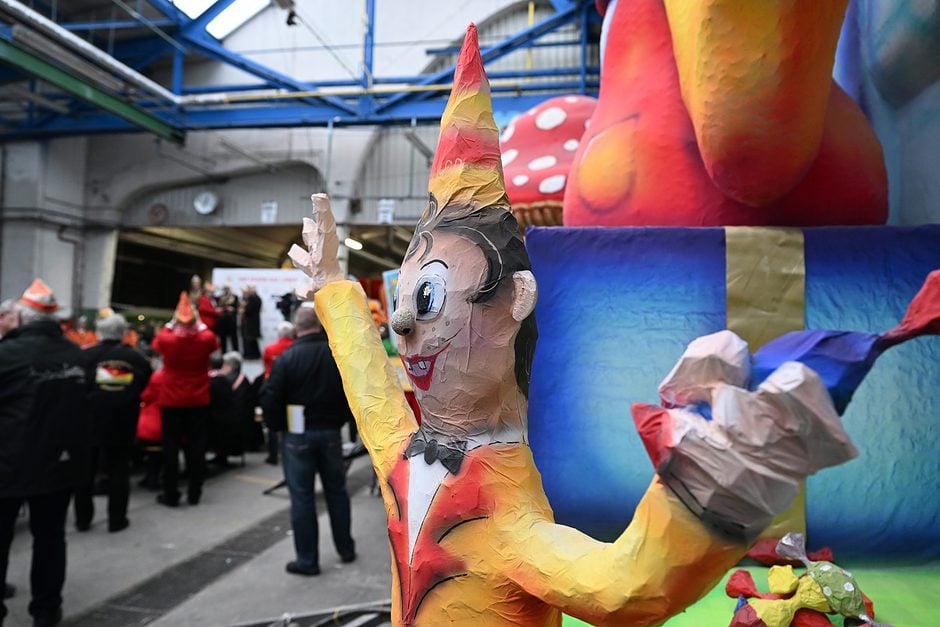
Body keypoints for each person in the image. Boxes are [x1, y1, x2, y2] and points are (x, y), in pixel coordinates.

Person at [284, 26, 924, 626]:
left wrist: (709, 494)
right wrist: (333, 288)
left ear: (516, 300)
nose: (400, 322)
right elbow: (370, 388)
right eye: (404, 298)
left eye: (426, 296)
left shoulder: (504, 515)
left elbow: (624, 585)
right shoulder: (407, 450)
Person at [0, 279, 90, 627]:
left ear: (20, 319)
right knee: (51, 538)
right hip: (61, 466)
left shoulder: (6, 356)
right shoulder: (76, 355)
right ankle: (46, 610)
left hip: (9, 463)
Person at [261, 307, 356, 576]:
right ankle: (345, 548)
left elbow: (270, 399)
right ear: (319, 324)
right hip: (330, 433)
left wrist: (281, 428)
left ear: (296, 327)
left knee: (302, 498)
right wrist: (339, 422)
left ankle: (307, 561)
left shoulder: (286, 359)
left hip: (297, 436)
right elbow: (350, 393)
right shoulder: (335, 355)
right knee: (337, 492)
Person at [73, 315, 152, 533]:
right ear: (123, 333)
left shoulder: (86, 356)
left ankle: (82, 519)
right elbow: (144, 381)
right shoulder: (136, 358)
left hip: (90, 420)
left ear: (99, 332)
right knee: (119, 470)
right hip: (122, 420)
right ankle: (116, 520)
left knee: (85, 471)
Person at [151, 292, 220, 507]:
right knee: (196, 447)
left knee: (170, 448)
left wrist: (172, 324)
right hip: (198, 399)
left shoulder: (166, 339)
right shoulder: (206, 338)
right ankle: (194, 492)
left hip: (171, 399)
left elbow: (156, 344)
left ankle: (171, 493)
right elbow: (214, 346)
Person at [261, 321, 294, 464]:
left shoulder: (270, 349)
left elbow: (266, 367)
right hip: (293, 389)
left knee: (272, 423)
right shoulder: (295, 348)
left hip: (273, 388)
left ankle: (273, 454)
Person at [240, 285, 262, 360]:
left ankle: (252, 355)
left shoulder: (254, 298)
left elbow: (249, 309)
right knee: (250, 340)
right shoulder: (253, 298)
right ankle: (252, 354)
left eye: (249, 289)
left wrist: (244, 309)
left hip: (252, 322)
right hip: (250, 322)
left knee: (251, 340)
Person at [215, 285, 239, 353]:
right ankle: (223, 352)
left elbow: (237, 308)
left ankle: (235, 352)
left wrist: (232, 309)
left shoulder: (234, 296)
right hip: (222, 320)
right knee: (222, 338)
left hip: (231, 319)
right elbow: (217, 306)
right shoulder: (219, 297)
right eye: (225, 288)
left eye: (227, 288)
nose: (226, 290)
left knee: (234, 337)